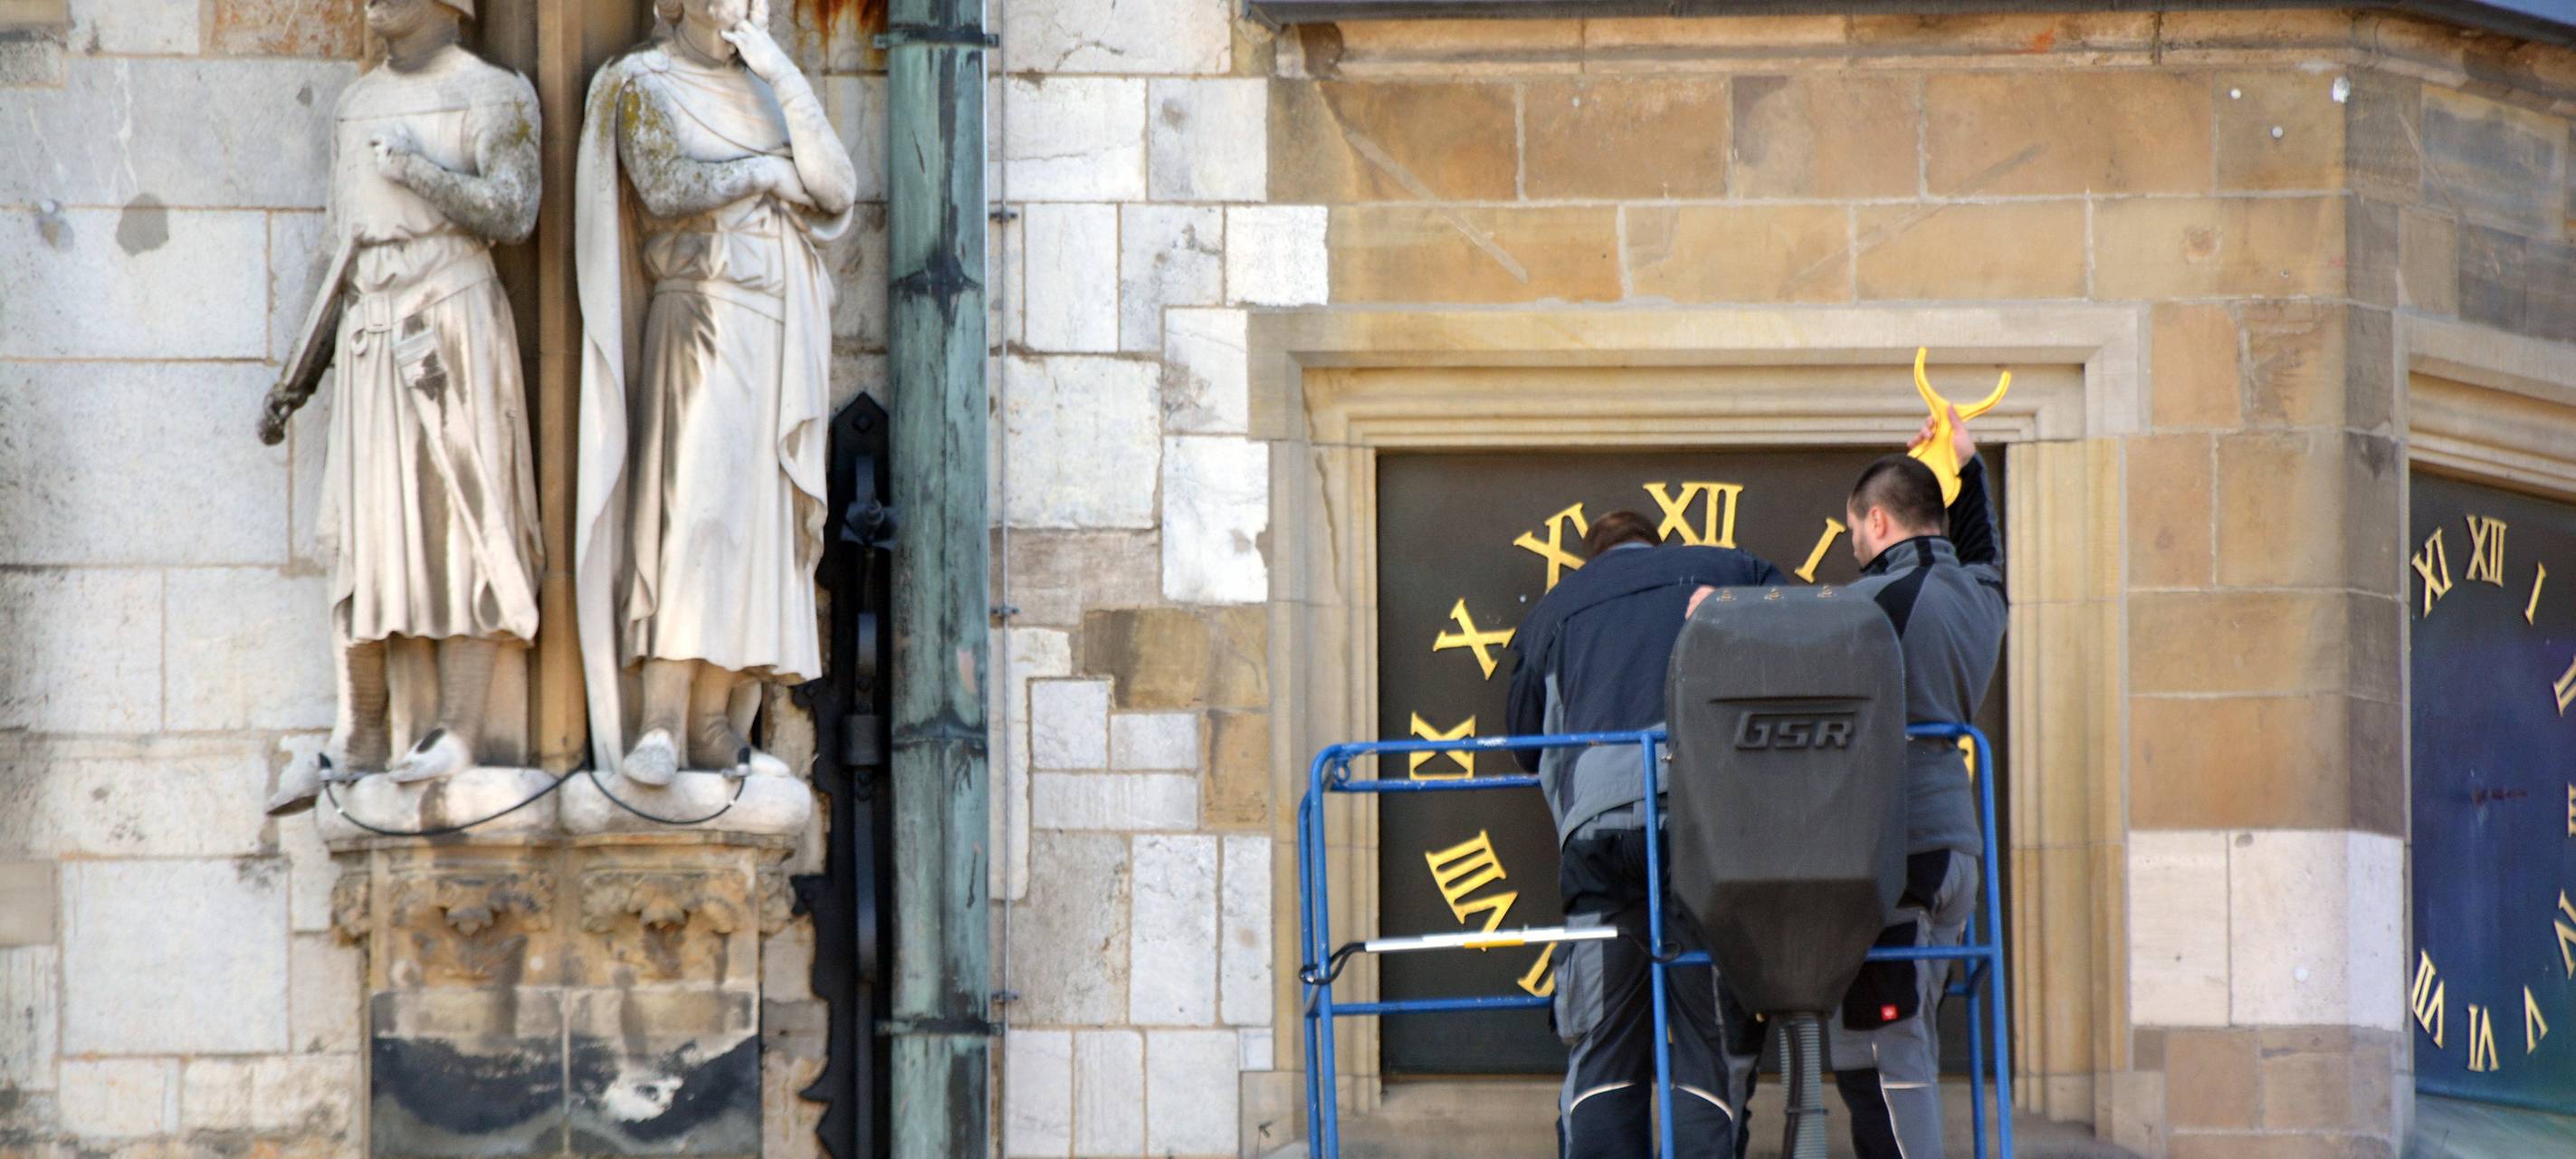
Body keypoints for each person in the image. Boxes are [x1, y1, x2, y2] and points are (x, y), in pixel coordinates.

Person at [260, 0, 543, 813]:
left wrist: (420, 169)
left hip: (451, 316)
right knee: (357, 530)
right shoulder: (356, 103)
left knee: (464, 522)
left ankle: (458, 727)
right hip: (367, 330)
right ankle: (361, 730)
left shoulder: (493, 94)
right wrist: (297, 374)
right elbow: (336, 245)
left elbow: (516, 212)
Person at [573, 0, 859, 783]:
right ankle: (659, 718)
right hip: (699, 309)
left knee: (751, 523)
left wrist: (784, 73)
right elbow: (664, 186)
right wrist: (767, 172)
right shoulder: (641, 82)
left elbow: (836, 189)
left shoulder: (769, 93)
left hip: (773, 329)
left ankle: (711, 723)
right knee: (693, 510)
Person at [1506, 510, 1783, 1159]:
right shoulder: (1728, 567)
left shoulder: (1555, 607)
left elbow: (1524, 742)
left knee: (1601, 1046)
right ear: (1657, 543)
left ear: (1592, 556)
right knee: (1708, 1043)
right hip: (1702, 828)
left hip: (1600, 835)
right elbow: (1813, 625)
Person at [1797, 407, 2008, 1159]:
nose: (1852, 544)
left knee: (1893, 1049)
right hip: (1952, 847)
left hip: (1901, 853)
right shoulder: (1983, 592)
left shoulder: (1869, 606)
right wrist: (1966, 459)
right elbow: (1982, 542)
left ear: (1878, 521)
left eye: (1854, 529)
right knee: (1866, 1044)